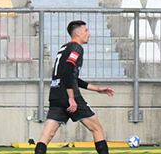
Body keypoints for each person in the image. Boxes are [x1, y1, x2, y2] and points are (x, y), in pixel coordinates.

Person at [35, 20, 116, 154]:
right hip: (69, 97)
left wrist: (97, 89)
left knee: (47, 135)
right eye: (86, 31)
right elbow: (67, 71)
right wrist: (71, 98)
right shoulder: (76, 48)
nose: (89, 34)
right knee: (97, 128)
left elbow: (70, 76)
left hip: (55, 96)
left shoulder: (64, 48)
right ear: (78, 33)